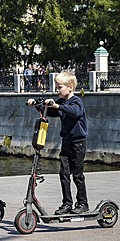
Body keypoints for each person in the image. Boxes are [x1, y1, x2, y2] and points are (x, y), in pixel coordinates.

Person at [27, 71, 89, 215]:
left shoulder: (76, 102)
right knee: (64, 173)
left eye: (59, 87)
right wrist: (37, 103)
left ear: (70, 87)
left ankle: (83, 203)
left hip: (78, 143)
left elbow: (75, 112)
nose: (57, 90)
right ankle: (67, 203)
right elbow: (51, 112)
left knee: (78, 175)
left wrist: (57, 106)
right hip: (66, 141)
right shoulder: (61, 102)